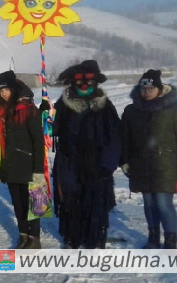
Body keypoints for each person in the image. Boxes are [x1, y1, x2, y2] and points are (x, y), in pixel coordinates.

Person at [52, 60, 121, 249]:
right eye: (79, 82)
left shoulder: (106, 107)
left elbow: (115, 137)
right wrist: (43, 115)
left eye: (89, 81)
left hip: (97, 165)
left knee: (95, 204)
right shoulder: (62, 107)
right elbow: (50, 130)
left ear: (96, 82)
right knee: (71, 204)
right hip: (69, 164)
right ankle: (72, 238)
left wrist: (107, 165)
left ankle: (94, 240)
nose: (84, 86)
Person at [120, 69, 177, 249]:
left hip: (166, 165)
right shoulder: (131, 111)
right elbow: (124, 138)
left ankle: (170, 240)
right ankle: (153, 238)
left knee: (163, 203)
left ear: (159, 89)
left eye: (151, 88)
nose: (147, 92)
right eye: (143, 88)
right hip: (140, 164)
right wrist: (124, 161)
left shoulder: (173, 109)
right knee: (149, 203)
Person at [0, 71, 45, 249]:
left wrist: (39, 169)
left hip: (29, 163)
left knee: (33, 203)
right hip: (10, 164)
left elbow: (38, 140)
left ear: (14, 89)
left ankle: (35, 238)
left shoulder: (29, 110)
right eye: (1, 91)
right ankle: (23, 235)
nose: (3, 94)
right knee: (17, 203)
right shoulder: (0, 110)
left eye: (6, 90)